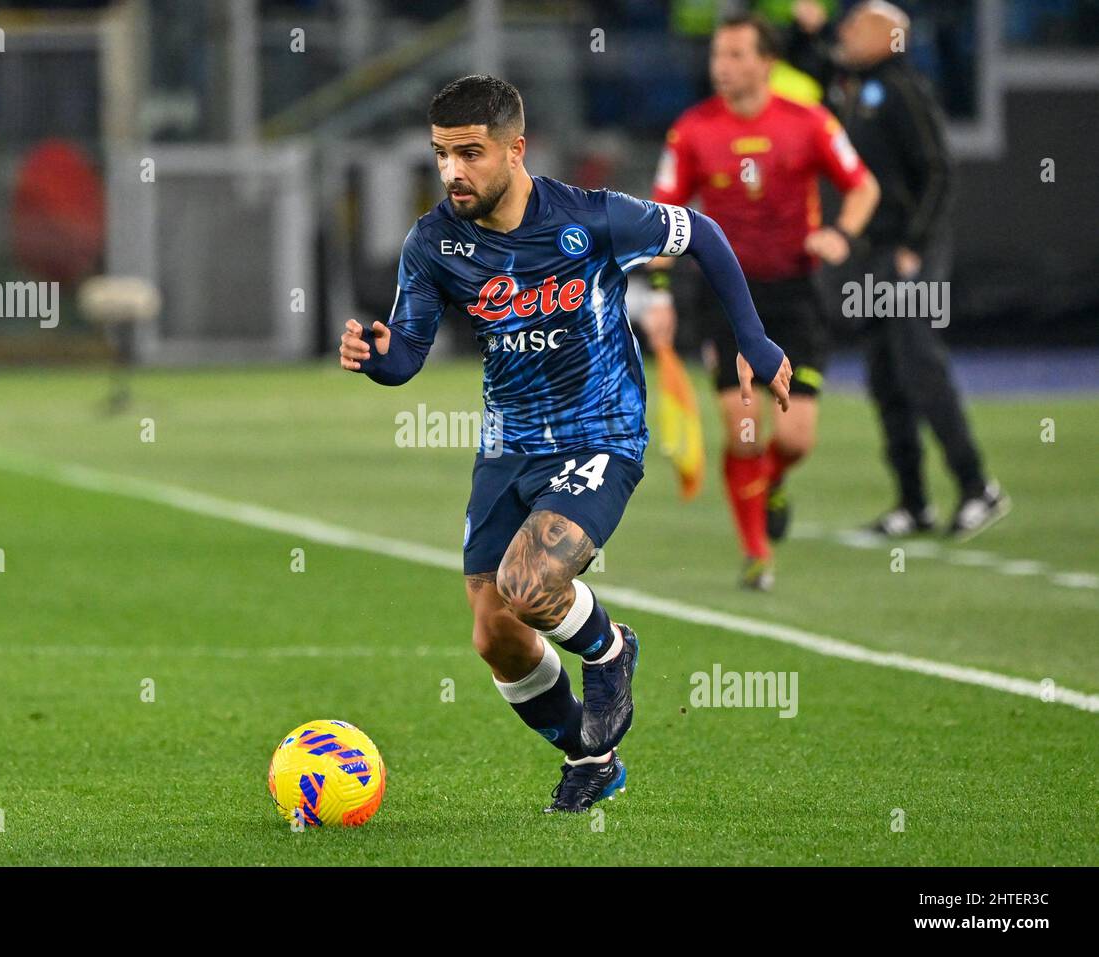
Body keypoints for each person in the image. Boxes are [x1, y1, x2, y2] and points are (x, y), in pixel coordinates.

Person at [338, 75, 792, 813]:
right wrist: (376, 354)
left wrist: (753, 338)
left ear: (516, 151)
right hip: (506, 448)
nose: (452, 171)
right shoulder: (433, 243)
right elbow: (406, 357)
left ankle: (612, 650)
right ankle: (593, 754)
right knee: (496, 636)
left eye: (470, 154)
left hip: (601, 435)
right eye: (441, 154)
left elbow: (701, 234)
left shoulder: (591, 218)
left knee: (528, 585)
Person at [643, 13, 880, 590]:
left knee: (795, 437)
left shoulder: (810, 123)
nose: (721, 67)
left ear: (766, 62)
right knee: (745, 429)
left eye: (735, 55)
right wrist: (660, 295)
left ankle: (769, 484)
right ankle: (757, 554)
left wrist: (841, 236)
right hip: (726, 298)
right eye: (717, 56)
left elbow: (863, 186)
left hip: (796, 293)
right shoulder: (692, 131)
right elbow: (663, 216)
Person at [790, 0, 1010, 538]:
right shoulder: (854, 86)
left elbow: (938, 169)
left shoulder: (902, 88)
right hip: (874, 255)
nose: (847, 30)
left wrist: (916, 244)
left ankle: (979, 486)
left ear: (890, 38)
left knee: (919, 363)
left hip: (909, 254)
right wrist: (812, 32)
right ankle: (914, 502)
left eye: (859, 24)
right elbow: (814, 68)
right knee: (886, 372)